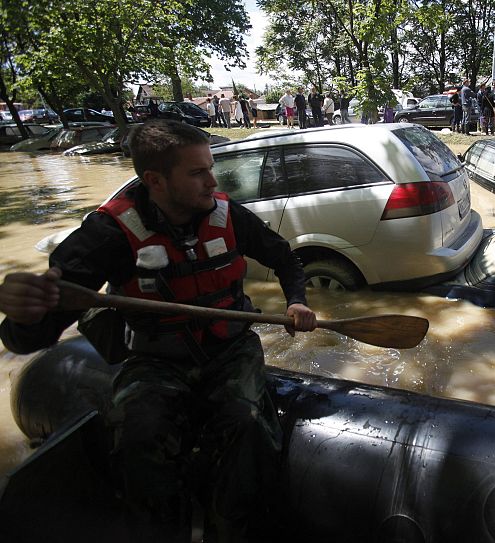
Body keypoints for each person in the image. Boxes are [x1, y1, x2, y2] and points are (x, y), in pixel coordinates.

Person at [0, 120, 317, 542]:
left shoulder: (229, 216)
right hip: (155, 359)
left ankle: (231, 531)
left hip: (231, 349)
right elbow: (31, 338)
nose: (212, 180)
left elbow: (287, 261)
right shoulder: (107, 234)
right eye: (197, 172)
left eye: (210, 167)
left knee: (248, 424)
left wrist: (297, 300)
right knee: (139, 434)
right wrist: (23, 315)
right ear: (156, 180)